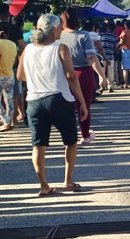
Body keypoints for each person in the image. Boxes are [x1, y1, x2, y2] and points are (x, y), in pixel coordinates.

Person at [17, 14, 87, 196]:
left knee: (38, 146)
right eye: (60, 27)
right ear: (54, 30)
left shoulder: (28, 50)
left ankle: (44, 185)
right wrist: (82, 102)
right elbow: (71, 77)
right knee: (70, 141)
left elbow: (19, 76)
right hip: (59, 99)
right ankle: (68, 180)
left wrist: (35, 79)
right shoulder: (60, 48)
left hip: (34, 101)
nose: (62, 30)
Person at [60, 9, 100, 144]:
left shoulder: (58, 36)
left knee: (67, 106)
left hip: (63, 73)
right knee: (85, 105)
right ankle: (85, 135)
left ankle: (68, 136)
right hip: (83, 73)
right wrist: (102, 76)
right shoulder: (84, 35)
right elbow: (91, 56)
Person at [0, 29, 17, 131]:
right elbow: (14, 60)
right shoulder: (13, 45)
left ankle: (5, 121)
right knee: (9, 100)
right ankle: (9, 121)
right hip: (9, 75)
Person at [99, 20, 120, 91]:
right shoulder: (115, 37)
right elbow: (116, 47)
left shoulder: (101, 35)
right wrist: (112, 51)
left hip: (101, 56)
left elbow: (99, 46)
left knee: (101, 71)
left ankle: (102, 85)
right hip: (110, 56)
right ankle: (110, 86)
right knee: (110, 71)